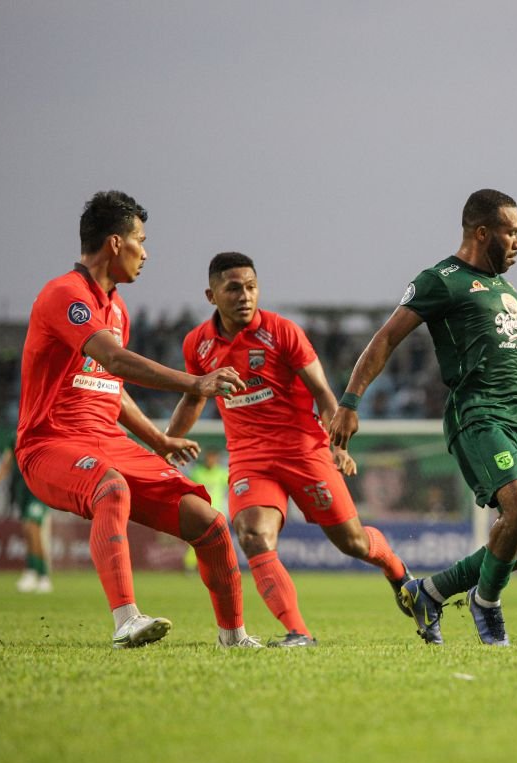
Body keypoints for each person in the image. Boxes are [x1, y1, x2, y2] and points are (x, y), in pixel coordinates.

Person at [16, 190, 258, 649]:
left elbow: (111, 385)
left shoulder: (118, 309)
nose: (145, 253)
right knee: (111, 487)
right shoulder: (65, 295)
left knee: (209, 523)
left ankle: (235, 638)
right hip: (49, 445)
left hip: (108, 441)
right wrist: (196, 383)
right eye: (140, 241)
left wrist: (159, 440)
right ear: (114, 244)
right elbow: (116, 360)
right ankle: (126, 619)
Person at [329, 189, 517, 646]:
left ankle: (429, 592)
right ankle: (486, 603)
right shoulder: (442, 279)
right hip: (480, 415)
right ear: (482, 232)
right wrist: (350, 401)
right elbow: (386, 338)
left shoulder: (505, 288)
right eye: (511, 232)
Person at [167, 251, 412, 647]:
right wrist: (165, 441)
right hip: (250, 457)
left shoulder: (282, 332)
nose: (245, 296)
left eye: (251, 287)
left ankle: (398, 571)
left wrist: (337, 444)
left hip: (304, 451)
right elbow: (194, 397)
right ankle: (299, 632)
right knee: (253, 536)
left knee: (353, 543)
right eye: (233, 288)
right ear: (211, 295)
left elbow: (323, 393)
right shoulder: (197, 344)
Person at [0, 437, 53, 593]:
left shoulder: (43, 433)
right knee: (27, 532)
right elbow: (6, 464)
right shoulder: (14, 437)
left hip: (38, 490)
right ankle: (31, 571)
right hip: (21, 491)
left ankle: (42, 575)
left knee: (33, 528)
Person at [183, 447, 229, 573]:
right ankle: (190, 566)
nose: (211, 460)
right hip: (200, 512)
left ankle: (219, 566)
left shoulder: (222, 473)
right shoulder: (198, 473)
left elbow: (231, 486)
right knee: (197, 540)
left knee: (219, 542)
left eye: (214, 457)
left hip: (218, 512)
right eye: (209, 457)